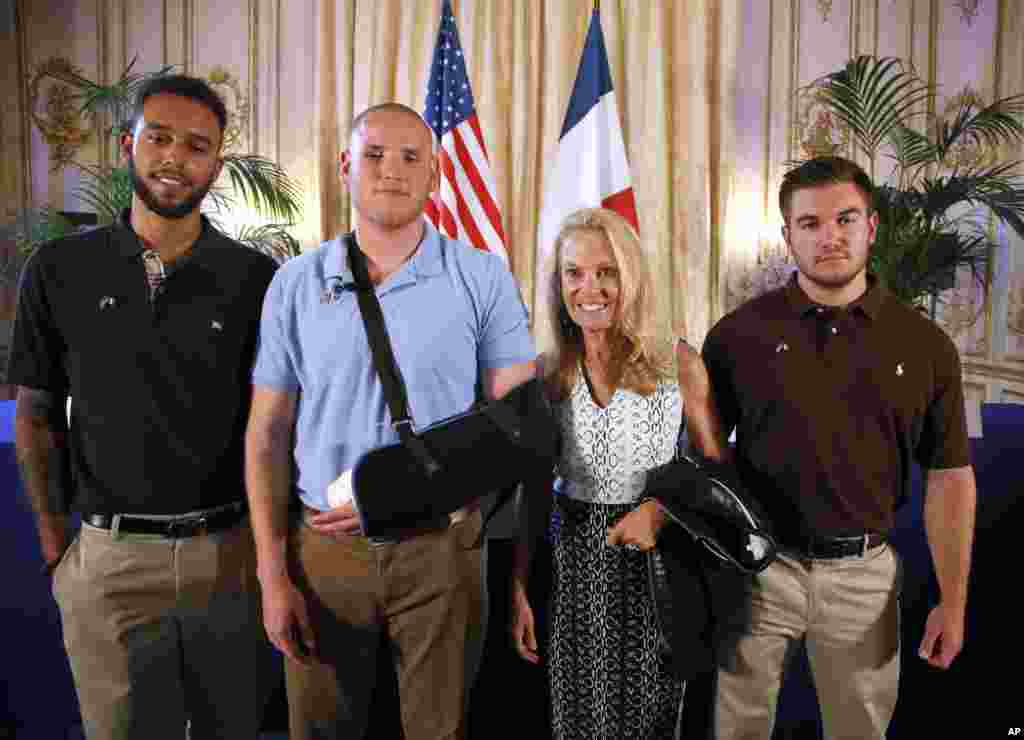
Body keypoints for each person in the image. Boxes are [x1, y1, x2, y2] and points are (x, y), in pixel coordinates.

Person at [244, 102, 535, 740]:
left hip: (443, 552)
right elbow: (266, 432)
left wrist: (412, 493)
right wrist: (272, 572)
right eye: (374, 155)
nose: (392, 171)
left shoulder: (481, 276)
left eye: (411, 158)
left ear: (434, 176)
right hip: (323, 552)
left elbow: (518, 423)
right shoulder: (295, 283)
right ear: (347, 167)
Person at [8, 75, 280, 739]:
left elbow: (273, 429)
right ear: (128, 143)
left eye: (196, 146)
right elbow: (36, 413)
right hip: (111, 561)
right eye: (159, 137)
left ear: (215, 165)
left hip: (229, 557)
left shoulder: (256, 279)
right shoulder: (58, 268)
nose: (174, 158)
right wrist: (56, 548)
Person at [702, 155, 977, 739]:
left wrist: (953, 602)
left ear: (871, 226)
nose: (830, 237)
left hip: (864, 578)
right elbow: (703, 460)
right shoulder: (736, 335)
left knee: (859, 732)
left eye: (845, 219)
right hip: (759, 571)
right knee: (736, 731)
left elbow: (950, 478)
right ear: (787, 235)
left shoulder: (926, 345)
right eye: (811, 224)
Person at [509, 207, 729, 739]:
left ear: (629, 275)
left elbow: (715, 469)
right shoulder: (548, 372)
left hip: (660, 563)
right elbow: (534, 493)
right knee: (580, 720)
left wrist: (660, 510)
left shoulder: (678, 361)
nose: (590, 288)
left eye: (606, 271)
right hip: (575, 564)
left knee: (651, 719)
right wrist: (518, 585)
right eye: (574, 273)